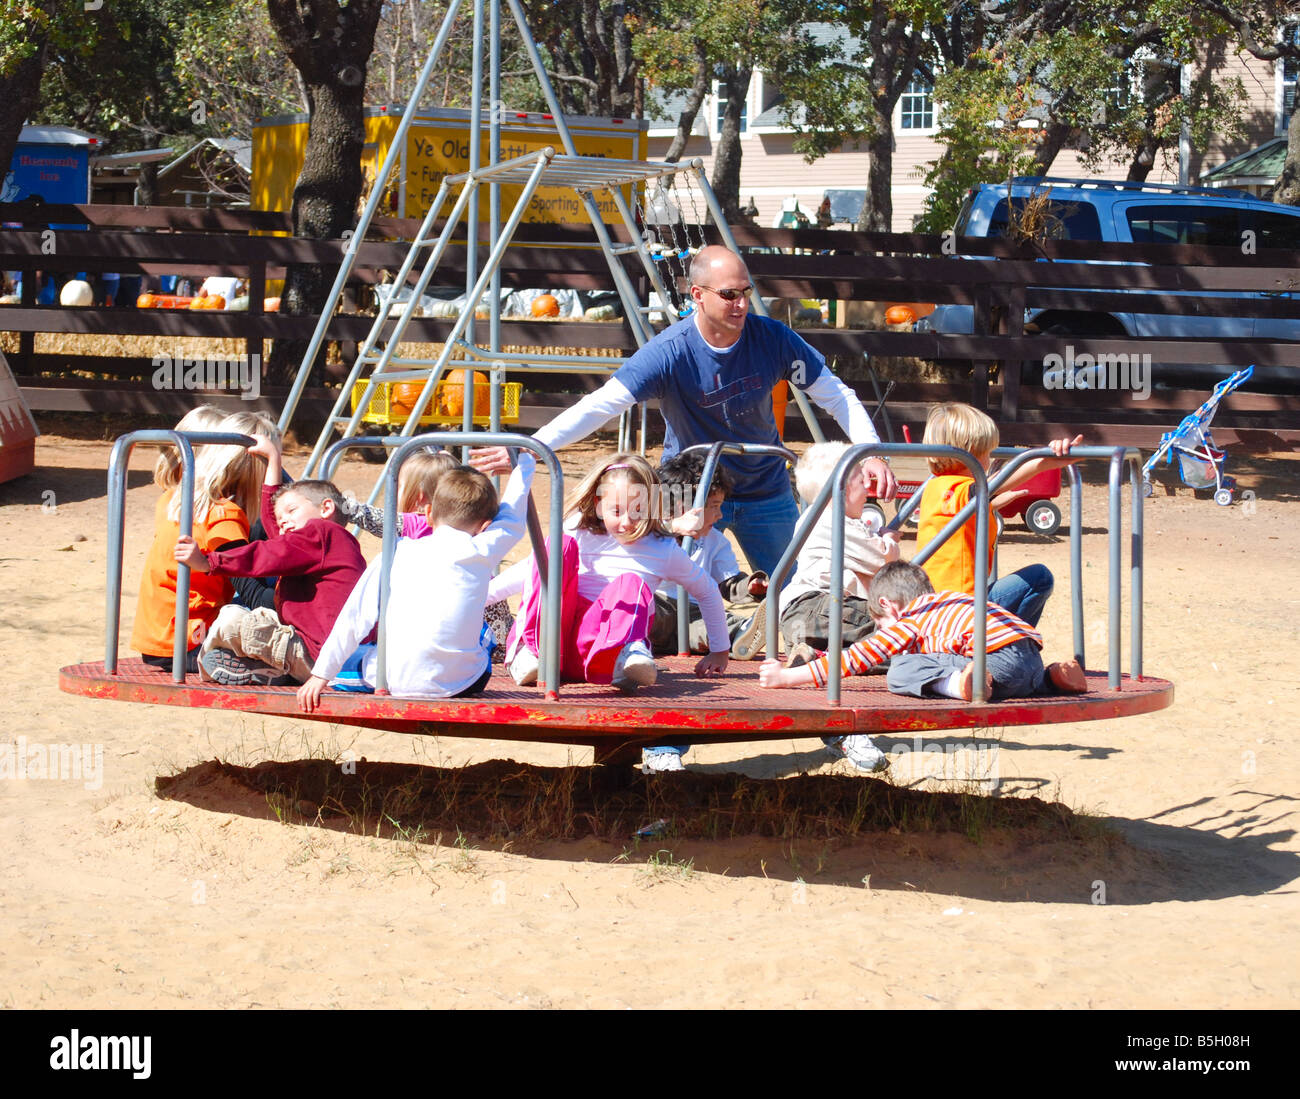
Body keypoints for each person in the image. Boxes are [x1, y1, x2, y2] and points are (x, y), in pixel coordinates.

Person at [469, 245, 896, 579]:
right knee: (664, 593)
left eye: (746, 293)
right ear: (698, 296)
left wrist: (869, 451)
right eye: (729, 295)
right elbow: (600, 404)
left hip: (764, 485)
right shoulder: (669, 352)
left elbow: (836, 394)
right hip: (686, 488)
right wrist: (531, 447)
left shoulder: (772, 339)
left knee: (794, 587)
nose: (741, 304)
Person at [759, 562, 1087, 768]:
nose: (885, 634)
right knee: (1008, 677)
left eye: (880, 624)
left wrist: (785, 678)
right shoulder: (953, 602)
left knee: (900, 670)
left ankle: (960, 684)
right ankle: (1051, 679)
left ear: (888, 605)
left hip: (995, 661)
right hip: (1029, 652)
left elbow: (855, 659)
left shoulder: (911, 619)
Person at [488, 453, 730, 707]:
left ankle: (627, 655)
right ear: (599, 505)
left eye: (638, 511)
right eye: (617, 510)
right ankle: (529, 652)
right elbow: (530, 571)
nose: (626, 522)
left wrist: (719, 651)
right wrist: (481, 598)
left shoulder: (662, 547)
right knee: (554, 548)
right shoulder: (577, 529)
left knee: (631, 583)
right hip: (553, 640)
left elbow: (707, 590)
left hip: (597, 651)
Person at [299, 454, 536, 708]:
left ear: (429, 513)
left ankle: (328, 669)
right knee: (484, 634)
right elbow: (512, 519)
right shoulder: (481, 549)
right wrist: (525, 463)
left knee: (351, 662)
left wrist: (320, 674)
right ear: (485, 526)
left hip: (394, 680)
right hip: (463, 682)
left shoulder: (393, 554)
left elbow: (355, 617)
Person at [174, 435, 367, 687]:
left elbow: (268, 553)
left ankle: (227, 661)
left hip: (317, 657)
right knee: (255, 616)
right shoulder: (328, 546)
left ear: (326, 508)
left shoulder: (322, 533)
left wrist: (208, 562)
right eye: (281, 516)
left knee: (231, 617)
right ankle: (259, 667)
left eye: (292, 510)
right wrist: (273, 460)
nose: (283, 520)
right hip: (323, 653)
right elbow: (273, 524)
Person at [130, 410, 276, 673]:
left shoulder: (174, 499)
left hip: (156, 638)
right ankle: (226, 663)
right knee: (282, 649)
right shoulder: (224, 516)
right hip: (189, 642)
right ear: (256, 471)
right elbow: (253, 594)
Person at [337, 446, 514, 658]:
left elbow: (368, 516)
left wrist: (332, 500)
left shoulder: (415, 523)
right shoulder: (474, 521)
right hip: (493, 624)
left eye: (399, 486)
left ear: (420, 498)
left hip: (457, 633)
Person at [918, 403, 1081, 627]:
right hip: (959, 607)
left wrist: (991, 506)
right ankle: (1010, 645)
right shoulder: (956, 488)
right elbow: (985, 487)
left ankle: (1005, 644)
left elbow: (957, 518)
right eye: (987, 452)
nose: (990, 459)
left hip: (941, 605)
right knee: (1040, 578)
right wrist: (1043, 461)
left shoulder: (937, 487)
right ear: (971, 452)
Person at [647, 450, 768, 658]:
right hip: (657, 604)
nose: (720, 515)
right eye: (714, 507)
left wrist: (750, 587)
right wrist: (672, 529)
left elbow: (727, 582)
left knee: (716, 622)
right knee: (644, 610)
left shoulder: (715, 540)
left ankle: (742, 635)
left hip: (694, 612)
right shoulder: (652, 530)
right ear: (684, 506)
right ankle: (637, 640)